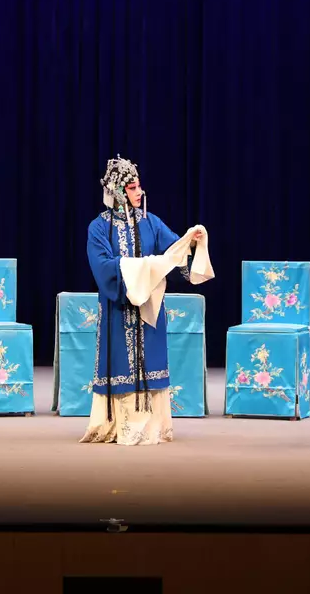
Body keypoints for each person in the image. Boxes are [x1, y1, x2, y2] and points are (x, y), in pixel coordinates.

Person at [81, 155, 213, 445]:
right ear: (118, 191)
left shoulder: (151, 222)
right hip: (118, 309)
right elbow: (102, 267)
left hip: (149, 309)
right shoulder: (99, 228)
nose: (139, 192)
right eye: (132, 188)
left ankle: (154, 427)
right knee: (120, 362)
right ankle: (119, 426)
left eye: (139, 186)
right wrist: (140, 269)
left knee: (151, 360)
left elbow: (173, 252)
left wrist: (191, 241)